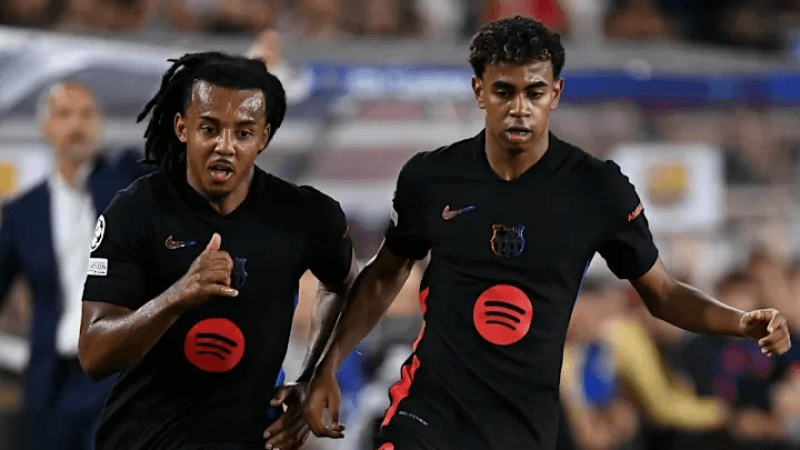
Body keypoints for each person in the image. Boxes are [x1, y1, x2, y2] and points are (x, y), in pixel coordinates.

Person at [300, 16, 792, 450]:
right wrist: (328, 366)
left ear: (555, 94)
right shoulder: (431, 178)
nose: (520, 108)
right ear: (478, 91)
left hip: (522, 427)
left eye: (534, 93)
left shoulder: (598, 189)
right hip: (428, 413)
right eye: (503, 91)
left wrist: (739, 321)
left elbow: (662, 294)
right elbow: (384, 277)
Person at [78, 52, 357, 450]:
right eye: (209, 128)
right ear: (182, 127)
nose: (225, 146)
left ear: (264, 137)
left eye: (243, 133)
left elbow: (349, 286)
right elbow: (94, 354)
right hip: (143, 440)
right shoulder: (136, 211)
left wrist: (317, 373)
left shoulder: (303, 215)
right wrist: (177, 297)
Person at [0, 79, 149, 450]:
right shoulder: (24, 212)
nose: (77, 125)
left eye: (86, 114)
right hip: (54, 378)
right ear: (46, 127)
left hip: (118, 372)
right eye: (65, 114)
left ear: (99, 124)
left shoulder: (126, 185)